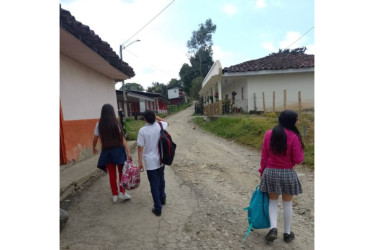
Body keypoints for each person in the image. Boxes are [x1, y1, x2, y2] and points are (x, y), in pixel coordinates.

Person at [258, 110, 304, 243]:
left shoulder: (268, 134)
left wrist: (262, 172)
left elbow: (264, 156)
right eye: (297, 119)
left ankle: (273, 229)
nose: (298, 122)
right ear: (291, 121)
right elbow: (298, 159)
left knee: (272, 202)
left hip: (270, 172)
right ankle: (287, 233)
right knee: (287, 204)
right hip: (287, 173)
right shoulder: (294, 137)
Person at [93, 104, 133, 203]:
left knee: (112, 175)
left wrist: (94, 148)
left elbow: (95, 138)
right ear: (112, 112)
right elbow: (122, 138)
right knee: (121, 173)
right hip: (118, 151)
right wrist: (128, 151)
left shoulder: (99, 124)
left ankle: (114, 195)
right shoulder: (116, 123)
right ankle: (122, 193)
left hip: (107, 152)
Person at [137, 110, 169, 216]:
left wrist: (140, 162)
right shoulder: (160, 125)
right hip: (161, 159)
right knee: (161, 179)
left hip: (150, 163)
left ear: (145, 119)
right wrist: (158, 117)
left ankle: (158, 208)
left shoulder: (142, 131)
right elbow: (167, 122)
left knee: (154, 184)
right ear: (154, 117)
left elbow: (140, 148)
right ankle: (163, 198)